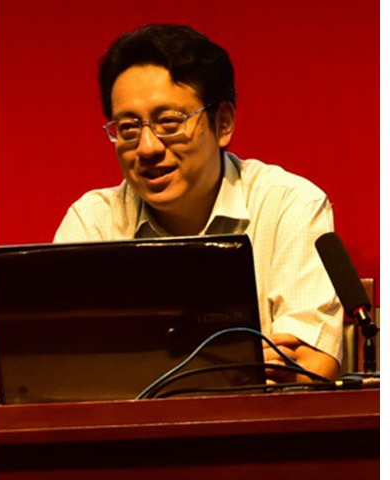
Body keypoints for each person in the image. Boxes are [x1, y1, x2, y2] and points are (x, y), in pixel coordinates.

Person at [54, 24, 342, 384]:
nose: (147, 147)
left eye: (169, 122)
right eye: (128, 128)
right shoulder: (92, 223)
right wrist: (241, 365)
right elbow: (58, 369)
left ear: (223, 123)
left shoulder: (289, 205)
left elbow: (309, 366)